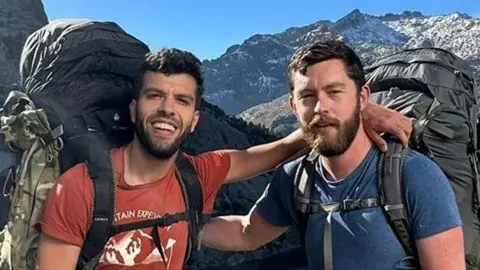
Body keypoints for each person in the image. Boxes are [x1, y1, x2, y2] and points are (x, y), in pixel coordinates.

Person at [36, 47, 412, 270]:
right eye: (155, 96)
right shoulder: (81, 188)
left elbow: (273, 152)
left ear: (195, 119)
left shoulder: (196, 175)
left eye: (181, 100)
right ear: (135, 108)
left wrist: (346, 117)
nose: (167, 110)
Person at [200, 40, 465, 270]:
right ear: (293, 105)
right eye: (307, 96)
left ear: (362, 99)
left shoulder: (413, 176)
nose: (320, 107)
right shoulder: (296, 178)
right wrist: (174, 225)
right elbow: (247, 233)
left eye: (334, 92)